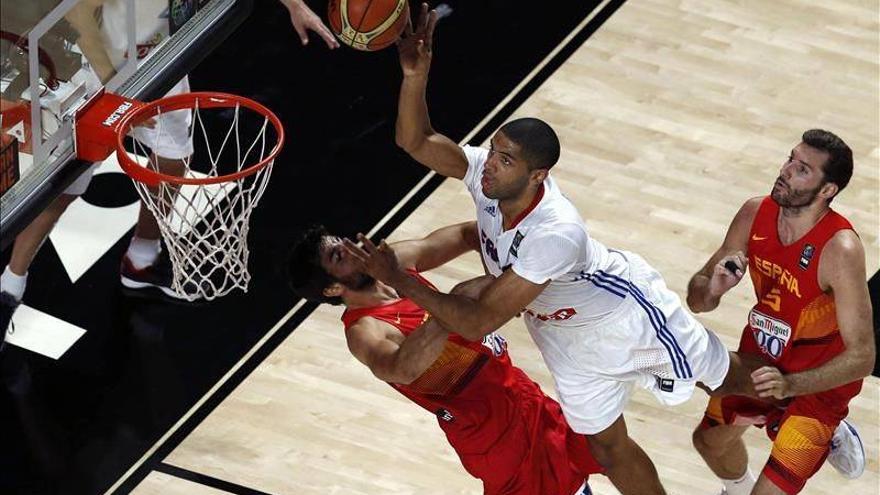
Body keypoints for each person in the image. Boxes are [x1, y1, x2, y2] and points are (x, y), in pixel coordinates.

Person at [341, 6, 866, 494]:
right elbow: (416, 141)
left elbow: (478, 322)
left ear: (537, 175)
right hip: (564, 336)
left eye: (505, 160)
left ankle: (821, 414)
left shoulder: (554, 231)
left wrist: (403, 279)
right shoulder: (486, 176)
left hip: (625, 314)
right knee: (606, 448)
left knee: (725, 376)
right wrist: (414, 77)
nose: (489, 165)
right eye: (494, 153)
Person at [0, 0, 338, 343]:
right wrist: (117, 92)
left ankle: (141, 260)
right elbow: (79, 16)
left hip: (157, 58)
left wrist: (295, 6)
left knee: (173, 160)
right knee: (66, 186)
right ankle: (10, 286)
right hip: (98, 70)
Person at [286, 221, 602, 495]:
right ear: (331, 289)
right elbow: (401, 369)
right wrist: (462, 306)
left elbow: (468, 234)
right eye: (340, 256)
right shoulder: (364, 331)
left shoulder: (392, 266)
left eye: (345, 242)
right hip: (491, 429)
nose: (356, 249)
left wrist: (507, 262)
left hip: (518, 390)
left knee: (609, 453)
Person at [687, 129, 874, 495]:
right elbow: (697, 302)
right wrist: (712, 288)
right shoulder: (755, 212)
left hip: (818, 386)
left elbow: (863, 357)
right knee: (708, 443)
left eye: (802, 169)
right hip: (762, 362)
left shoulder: (841, 248)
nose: (786, 170)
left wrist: (792, 385)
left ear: (827, 190)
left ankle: (829, 428)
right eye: (790, 159)